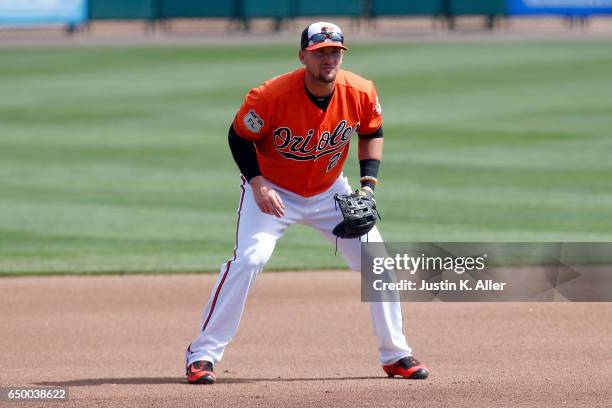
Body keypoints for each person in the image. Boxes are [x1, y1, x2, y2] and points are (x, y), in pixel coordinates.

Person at [185, 21, 429, 384]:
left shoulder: (360, 91)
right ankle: (202, 355)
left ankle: (395, 355)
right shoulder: (269, 96)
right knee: (249, 259)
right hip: (273, 192)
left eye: (334, 52)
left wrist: (367, 188)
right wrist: (257, 184)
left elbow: (372, 132)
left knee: (378, 261)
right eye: (319, 53)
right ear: (303, 56)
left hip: (331, 191)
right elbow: (238, 137)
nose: (328, 58)